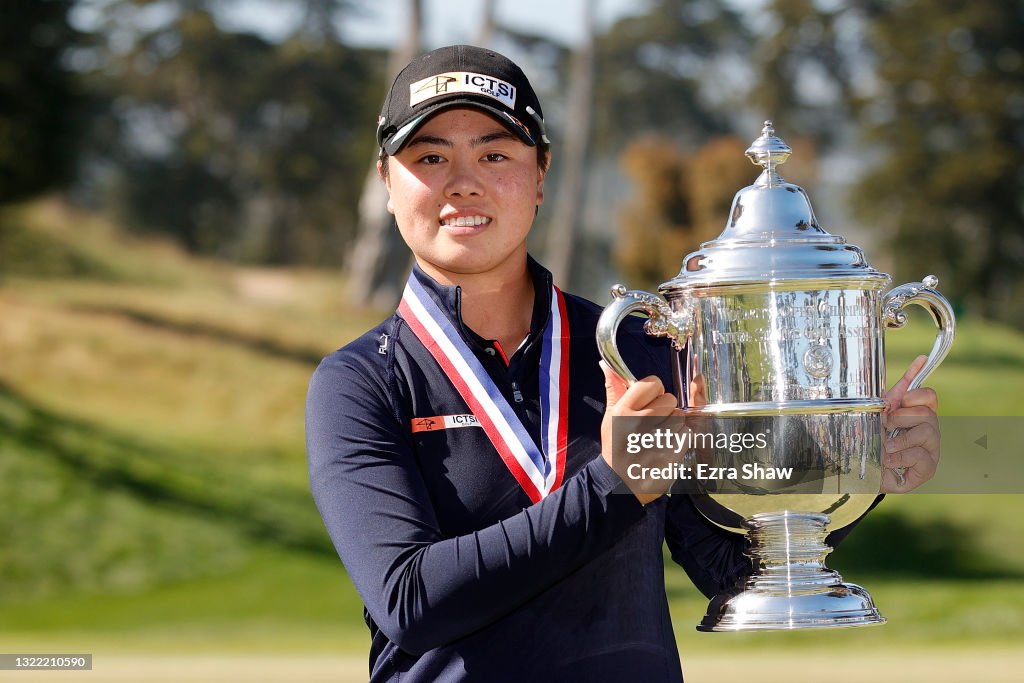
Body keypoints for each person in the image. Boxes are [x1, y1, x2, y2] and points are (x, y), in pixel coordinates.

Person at [306, 44, 940, 682]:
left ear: (541, 175)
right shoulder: (360, 382)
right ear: (387, 181)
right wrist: (614, 483)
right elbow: (410, 601)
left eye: (495, 154)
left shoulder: (640, 349)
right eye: (431, 157)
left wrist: (858, 464)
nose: (463, 181)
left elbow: (732, 569)